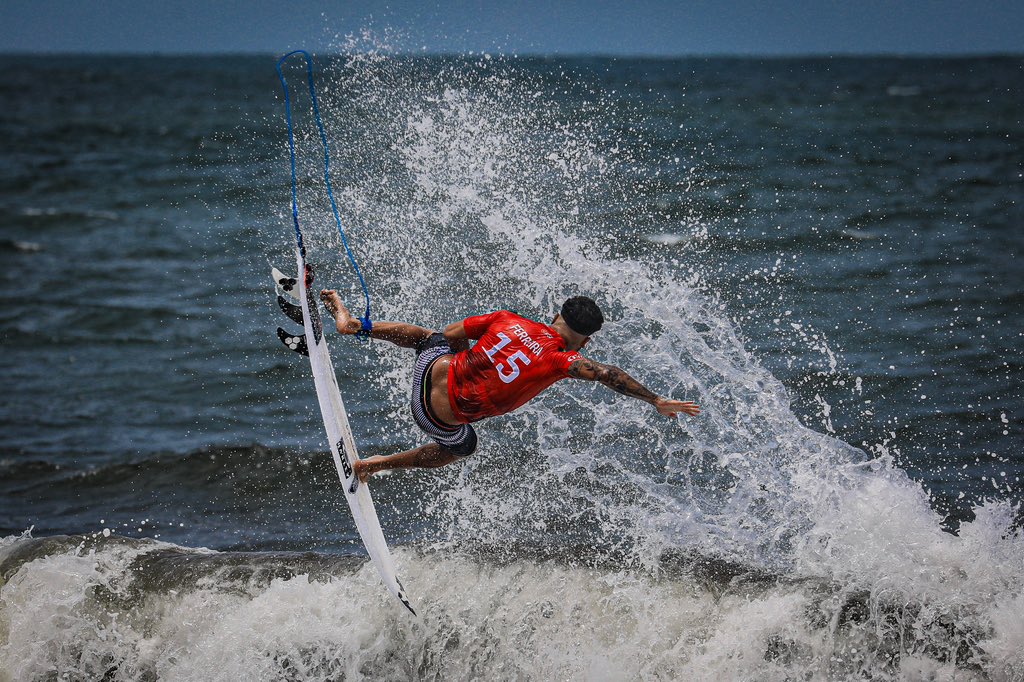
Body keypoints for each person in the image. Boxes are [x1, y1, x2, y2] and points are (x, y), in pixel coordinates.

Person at [320, 290, 700, 483]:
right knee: (464, 446)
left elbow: (452, 334)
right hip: (435, 420)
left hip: (427, 374)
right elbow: (608, 374)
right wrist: (655, 400)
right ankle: (376, 466)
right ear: (583, 343)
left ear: (555, 315)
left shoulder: (507, 319)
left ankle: (353, 326)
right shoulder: (561, 359)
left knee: (430, 336)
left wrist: (468, 364)